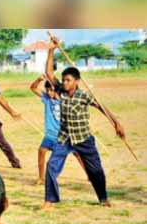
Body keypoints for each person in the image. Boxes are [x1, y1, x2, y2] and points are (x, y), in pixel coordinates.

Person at [41, 34, 126, 211]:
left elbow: (101, 107)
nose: (64, 83)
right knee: (51, 166)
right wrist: (52, 49)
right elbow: (49, 73)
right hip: (64, 139)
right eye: (63, 80)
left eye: (68, 80)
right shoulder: (60, 91)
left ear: (76, 82)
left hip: (84, 139)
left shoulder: (84, 96)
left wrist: (116, 123)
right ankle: (49, 201)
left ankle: (103, 198)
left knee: (96, 171)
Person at [28, 74, 83, 185]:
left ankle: (90, 174)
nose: (49, 93)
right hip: (50, 135)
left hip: (64, 135)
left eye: (51, 90)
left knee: (78, 154)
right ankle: (41, 178)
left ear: (57, 90)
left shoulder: (65, 101)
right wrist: (38, 79)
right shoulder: (47, 99)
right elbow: (33, 88)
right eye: (47, 90)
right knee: (41, 151)